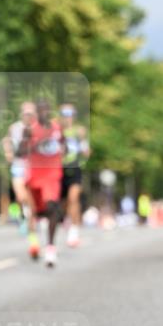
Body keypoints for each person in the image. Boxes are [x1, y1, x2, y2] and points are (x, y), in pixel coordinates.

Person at [20, 99, 65, 267]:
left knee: (52, 207)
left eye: (47, 110)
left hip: (52, 175)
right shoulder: (29, 129)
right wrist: (35, 144)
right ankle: (34, 241)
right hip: (34, 177)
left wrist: (63, 150)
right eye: (41, 111)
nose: (45, 113)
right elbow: (20, 151)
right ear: (37, 113)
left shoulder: (57, 128)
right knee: (35, 213)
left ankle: (51, 248)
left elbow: (64, 145)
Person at [1, 101, 36, 234]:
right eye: (26, 113)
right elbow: (7, 141)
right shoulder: (15, 127)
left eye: (31, 114)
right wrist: (8, 152)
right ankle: (22, 217)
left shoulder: (38, 128)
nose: (28, 116)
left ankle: (31, 219)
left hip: (34, 167)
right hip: (18, 165)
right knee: (21, 196)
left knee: (31, 196)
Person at [59, 103, 90, 247]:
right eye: (65, 115)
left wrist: (84, 150)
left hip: (75, 168)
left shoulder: (79, 131)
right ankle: (67, 219)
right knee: (63, 202)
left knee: (74, 198)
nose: (68, 118)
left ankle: (74, 232)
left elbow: (86, 150)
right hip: (60, 170)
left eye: (70, 115)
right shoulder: (57, 131)